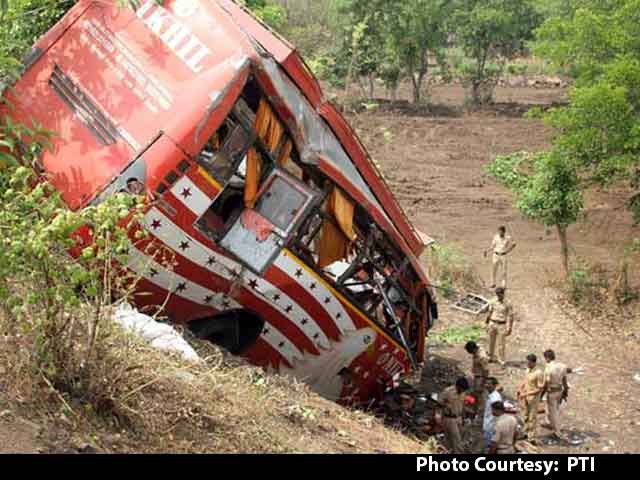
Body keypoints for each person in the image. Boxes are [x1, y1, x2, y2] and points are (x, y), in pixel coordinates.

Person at [517, 354, 545, 445]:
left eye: (528, 362)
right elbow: (525, 381)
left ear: (533, 362)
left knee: (532, 418)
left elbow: (540, 389)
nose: (527, 364)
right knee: (525, 415)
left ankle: (531, 437)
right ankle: (525, 432)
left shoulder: (539, 373)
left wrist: (526, 393)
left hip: (533, 398)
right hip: (526, 396)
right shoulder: (528, 370)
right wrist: (520, 389)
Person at [542, 349, 569, 440]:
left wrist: (542, 394)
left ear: (547, 358)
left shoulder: (548, 369)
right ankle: (549, 422)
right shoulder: (562, 366)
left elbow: (546, 383)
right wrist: (566, 390)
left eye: (545, 358)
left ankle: (557, 431)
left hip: (552, 392)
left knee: (554, 412)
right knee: (553, 408)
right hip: (560, 390)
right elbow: (564, 380)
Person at [439, 377, 469, 454]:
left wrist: (463, 418)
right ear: (457, 386)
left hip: (458, 418)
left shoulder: (463, 393)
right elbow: (439, 403)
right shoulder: (448, 391)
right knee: (457, 441)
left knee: (449, 441)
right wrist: (446, 406)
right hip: (449, 418)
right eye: (462, 389)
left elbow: (462, 405)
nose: (463, 391)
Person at [485, 288, 514, 366]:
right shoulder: (493, 301)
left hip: (502, 324)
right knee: (491, 341)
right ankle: (490, 357)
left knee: (501, 343)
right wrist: (486, 323)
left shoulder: (508, 303)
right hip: (492, 322)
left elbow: (511, 316)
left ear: (503, 294)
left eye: (500, 294)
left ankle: (501, 359)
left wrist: (510, 328)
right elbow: (489, 312)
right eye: (497, 294)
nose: (498, 296)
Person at [464, 341, 490, 415]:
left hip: (480, 378)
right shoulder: (478, 348)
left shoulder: (482, 357)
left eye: (470, 351)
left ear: (473, 349)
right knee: (475, 395)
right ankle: (475, 411)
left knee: (481, 397)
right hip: (476, 376)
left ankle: (481, 414)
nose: (470, 353)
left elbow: (486, 371)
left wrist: (482, 384)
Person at [483, 377, 502, 450]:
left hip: (491, 427)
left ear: (494, 386)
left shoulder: (495, 398)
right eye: (486, 383)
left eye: (489, 384)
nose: (486, 385)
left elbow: (498, 413)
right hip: (488, 425)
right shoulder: (490, 395)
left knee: (490, 448)